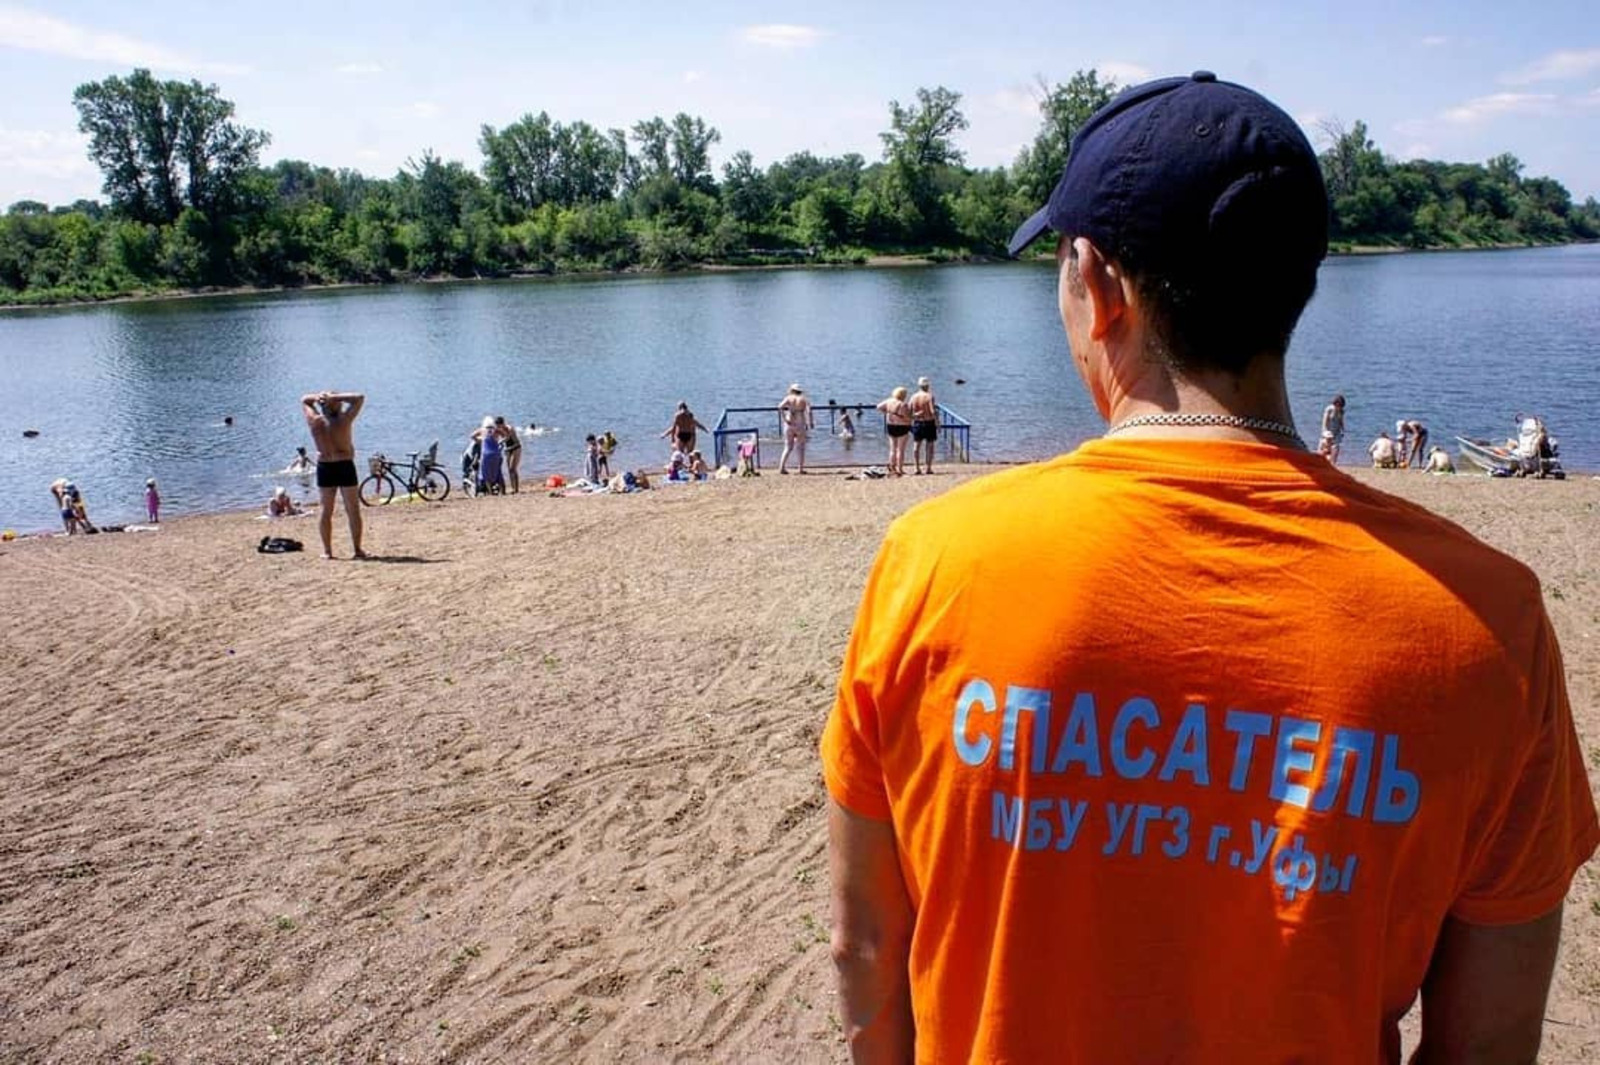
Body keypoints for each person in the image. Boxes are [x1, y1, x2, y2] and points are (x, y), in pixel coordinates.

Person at [822, 72, 1598, 1065]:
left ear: (1098, 285)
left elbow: (864, 943)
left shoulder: (934, 562)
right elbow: (1487, 1041)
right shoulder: (1489, 619)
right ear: (1295, 287)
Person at [301, 390, 366, 559]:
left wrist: (320, 398)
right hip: (344, 465)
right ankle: (357, 550)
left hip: (325, 466)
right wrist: (334, 397)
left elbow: (305, 400)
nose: (341, 404)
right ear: (334, 405)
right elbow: (359, 398)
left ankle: (327, 551)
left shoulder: (315, 421)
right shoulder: (344, 420)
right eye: (338, 402)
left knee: (326, 511)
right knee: (352, 510)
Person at [875, 386, 912, 476]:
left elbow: (878, 407)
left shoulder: (889, 401)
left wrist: (886, 412)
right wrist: (912, 419)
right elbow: (906, 418)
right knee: (900, 449)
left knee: (892, 449)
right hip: (902, 427)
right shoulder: (903, 405)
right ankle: (900, 469)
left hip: (890, 426)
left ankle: (892, 467)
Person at [778, 384, 813, 474]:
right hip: (800, 423)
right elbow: (809, 411)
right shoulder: (804, 399)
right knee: (801, 447)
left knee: (788, 447)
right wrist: (810, 422)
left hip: (789, 423)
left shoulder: (788, 398)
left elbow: (780, 407)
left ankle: (782, 467)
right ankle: (800, 468)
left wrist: (784, 419)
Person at [908, 376, 939, 475]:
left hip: (918, 422)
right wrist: (938, 423)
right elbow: (932, 411)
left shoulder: (913, 397)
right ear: (928, 386)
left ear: (919, 385)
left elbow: (908, 412)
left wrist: (915, 416)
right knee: (930, 446)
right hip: (929, 423)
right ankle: (928, 468)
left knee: (916, 446)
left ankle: (917, 467)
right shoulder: (929, 396)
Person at [472, 416, 505, 495]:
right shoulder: (496, 430)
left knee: (486, 473)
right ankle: (502, 491)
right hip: (496, 453)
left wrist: (480, 440)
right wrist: (499, 441)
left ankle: (490, 492)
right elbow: (505, 435)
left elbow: (472, 436)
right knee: (498, 471)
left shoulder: (481, 430)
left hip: (486, 454)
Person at [497, 417, 523, 493]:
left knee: (512, 468)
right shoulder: (499, 430)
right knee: (509, 470)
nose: (499, 427)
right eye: (497, 426)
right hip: (508, 449)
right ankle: (512, 488)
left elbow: (509, 439)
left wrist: (500, 442)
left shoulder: (510, 428)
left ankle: (516, 489)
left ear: (503, 423)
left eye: (499, 425)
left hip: (516, 448)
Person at [1319, 394, 1346, 463]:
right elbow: (1324, 422)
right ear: (1335, 403)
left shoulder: (1341, 411)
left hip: (1337, 432)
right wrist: (1325, 432)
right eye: (1338, 405)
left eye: (1340, 406)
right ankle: (1321, 462)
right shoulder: (1329, 409)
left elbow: (1341, 422)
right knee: (1324, 450)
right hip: (1328, 432)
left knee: (1336, 448)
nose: (1339, 407)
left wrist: (1343, 430)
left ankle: (1333, 463)